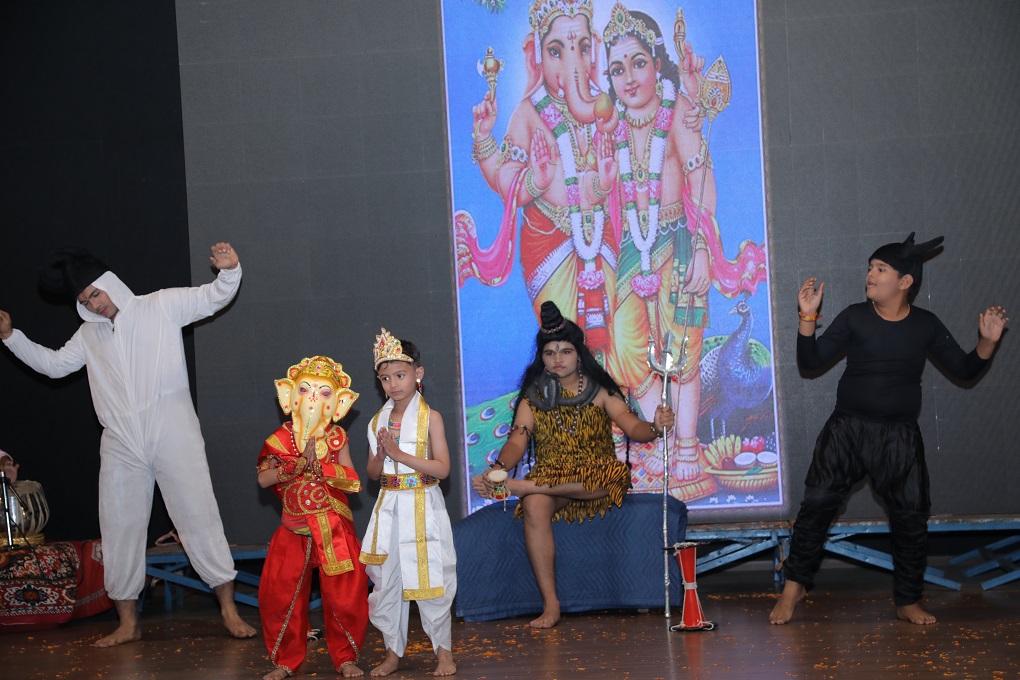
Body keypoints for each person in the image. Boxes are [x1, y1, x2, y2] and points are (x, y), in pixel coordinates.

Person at [0, 243, 255, 647]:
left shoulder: (160, 306)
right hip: (120, 441)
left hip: (173, 431)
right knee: (118, 527)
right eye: (85, 301)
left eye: (95, 294)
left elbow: (212, 298)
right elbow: (54, 366)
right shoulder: (89, 334)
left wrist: (229, 271)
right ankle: (127, 623)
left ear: (110, 283)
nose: (94, 304)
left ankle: (228, 610)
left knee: (198, 515)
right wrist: (10, 336)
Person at [770, 233, 1008, 626]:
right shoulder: (854, 317)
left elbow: (965, 369)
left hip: (898, 437)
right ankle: (793, 588)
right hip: (847, 431)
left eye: (881, 269)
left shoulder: (925, 325)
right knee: (817, 504)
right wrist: (807, 317)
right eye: (870, 267)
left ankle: (907, 601)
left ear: (904, 281)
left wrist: (986, 342)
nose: (870, 274)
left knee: (911, 516)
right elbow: (810, 362)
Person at [601, 4, 768, 497]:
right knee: (625, 348)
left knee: (684, 349)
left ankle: (688, 453)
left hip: (679, 239)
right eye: (617, 69)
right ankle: (664, 441)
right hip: (633, 248)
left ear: (657, 64)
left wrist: (700, 247)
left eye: (638, 62)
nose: (629, 77)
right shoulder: (612, 126)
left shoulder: (678, 115)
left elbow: (701, 181)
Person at [473, 301, 674, 628]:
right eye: (549, 352)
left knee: (611, 477)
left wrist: (655, 426)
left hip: (595, 475)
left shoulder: (600, 390)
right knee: (534, 504)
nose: (557, 359)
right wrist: (499, 468)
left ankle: (524, 486)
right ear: (541, 357)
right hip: (552, 477)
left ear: (579, 354)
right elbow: (517, 441)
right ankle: (551, 604)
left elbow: (633, 427)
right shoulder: (534, 396)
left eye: (565, 351)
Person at [257, 355, 368, 679]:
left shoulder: (336, 438)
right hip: (293, 530)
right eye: (305, 389)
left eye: (324, 392)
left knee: (344, 597)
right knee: (280, 597)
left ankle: (346, 658)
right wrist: (292, 467)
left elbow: (353, 481)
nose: (313, 398)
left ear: (339, 403)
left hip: (333, 530)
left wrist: (321, 467)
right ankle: (285, 661)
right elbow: (263, 480)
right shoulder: (278, 440)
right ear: (288, 395)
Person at [360, 329, 457, 677]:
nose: (393, 384)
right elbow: (373, 473)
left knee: (432, 577)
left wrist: (400, 454)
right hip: (389, 509)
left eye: (400, 375)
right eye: (385, 378)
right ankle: (392, 654)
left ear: (418, 373)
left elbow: (442, 468)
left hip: (423, 506)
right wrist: (381, 455)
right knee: (388, 582)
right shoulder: (377, 422)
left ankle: (444, 653)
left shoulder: (432, 418)